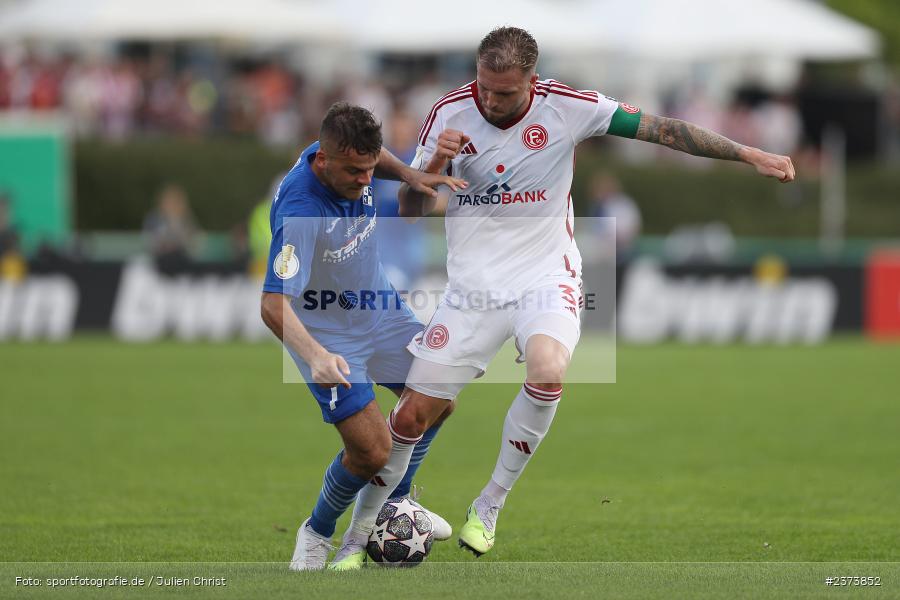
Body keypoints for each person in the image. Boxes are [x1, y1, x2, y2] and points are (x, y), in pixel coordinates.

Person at [352, 26, 796, 558]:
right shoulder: (447, 112)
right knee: (408, 418)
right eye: (483, 87)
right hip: (473, 288)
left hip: (547, 274)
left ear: (533, 83)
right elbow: (409, 212)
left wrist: (748, 153)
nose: (490, 101)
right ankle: (355, 541)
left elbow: (663, 130)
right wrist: (431, 169)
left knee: (548, 368)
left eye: (505, 92)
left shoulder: (569, 106)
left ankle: (489, 505)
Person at [259, 102, 467, 571]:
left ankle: (394, 505)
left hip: (380, 309)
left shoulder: (347, 153)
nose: (365, 181)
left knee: (437, 402)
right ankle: (316, 533)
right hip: (329, 334)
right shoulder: (301, 212)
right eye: (354, 172)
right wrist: (314, 356)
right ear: (322, 161)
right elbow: (272, 305)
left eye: (370, 169)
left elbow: (376, 160)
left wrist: (410, 174)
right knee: (371, 450)